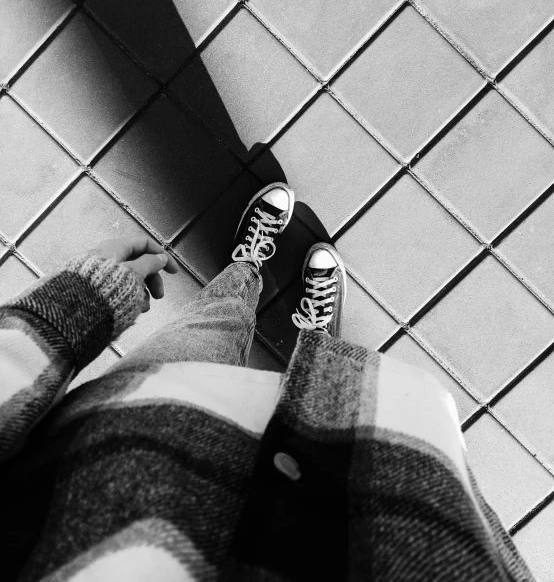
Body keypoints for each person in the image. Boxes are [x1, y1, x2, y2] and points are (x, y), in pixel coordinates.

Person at [0, 182, 535, 581]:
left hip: (133, 436)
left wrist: (77, 304)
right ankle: (317, 345)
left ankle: (245, 270)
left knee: (214, 325)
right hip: (363, 510)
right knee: (315, 385)